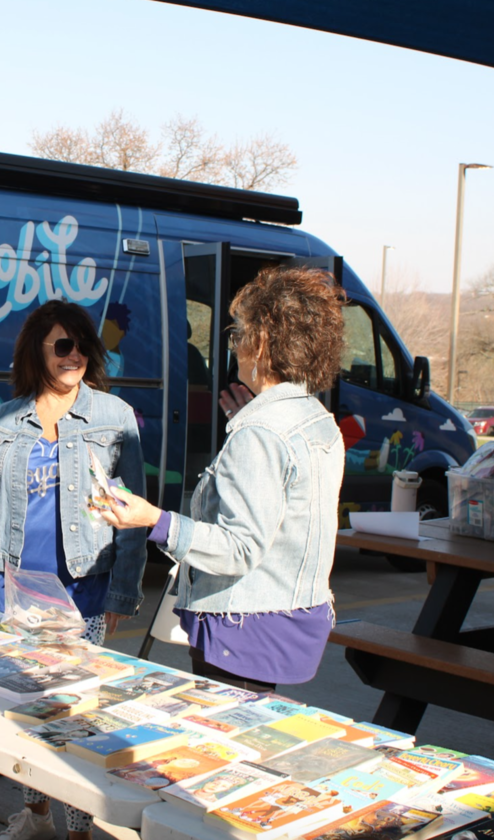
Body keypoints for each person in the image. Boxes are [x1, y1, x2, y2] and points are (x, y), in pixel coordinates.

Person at [0, 299, 147, 840]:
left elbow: (135, 511)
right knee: (23, 710)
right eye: (61, 345)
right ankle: (37, 815)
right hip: (14, 585)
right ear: (38, 351)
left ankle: (78, 833)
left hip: (84, 589)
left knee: (74, 717)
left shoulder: (115, 417)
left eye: (81, 344)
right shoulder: (5, 417)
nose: (73, 355)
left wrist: (123, 590)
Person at [97, 265, 347, 692]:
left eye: (238, 335)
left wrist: (151, 519)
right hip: (291, 619)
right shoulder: (316, 420)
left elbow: (238, 548)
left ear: (263, 341)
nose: (234, 347)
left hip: (245, 629)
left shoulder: (261, 434)